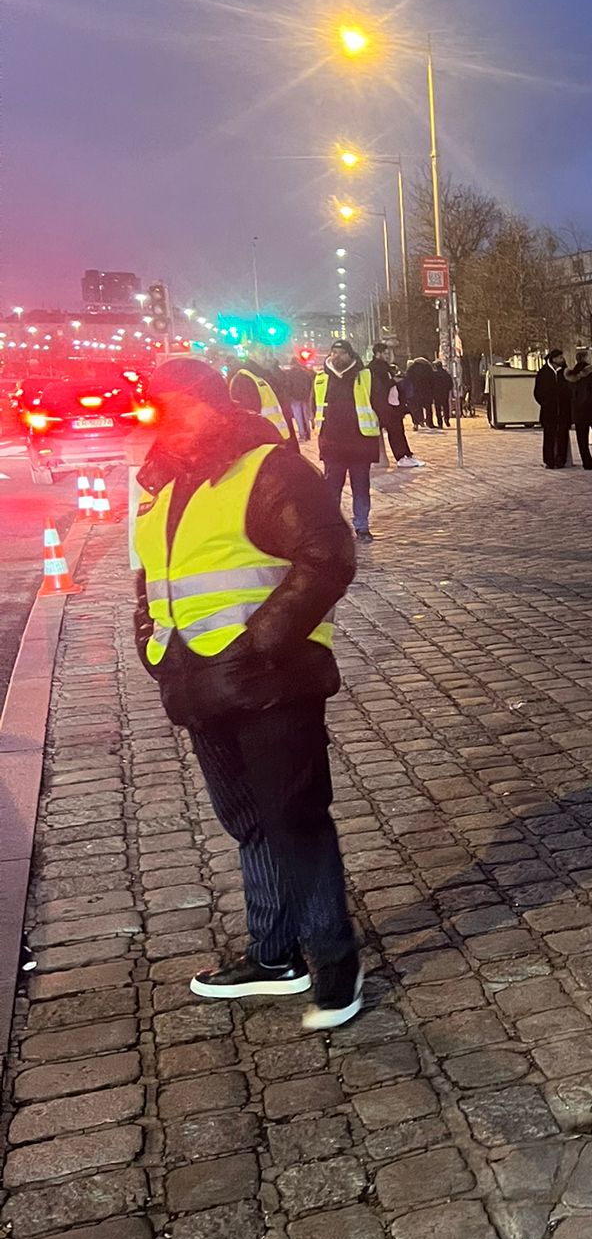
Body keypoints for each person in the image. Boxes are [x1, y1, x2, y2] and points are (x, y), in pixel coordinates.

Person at [132, 358, 363, 1028]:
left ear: (214, 404)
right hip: (197, 684)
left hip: (271, 684)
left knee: (295, 821)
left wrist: (259, 644)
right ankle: (274, 956)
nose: (167, 421)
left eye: (179, 407)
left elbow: (327, 556)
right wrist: (149, 641)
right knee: (249, 822)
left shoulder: (269, 469)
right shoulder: (159, 482)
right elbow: (151, 573)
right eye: (157, 409)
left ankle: (336, 969)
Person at [315, 337, 381, 539]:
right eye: (333, 352)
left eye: (341, 353)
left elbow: (379, 404)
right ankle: (332, 527)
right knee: (331, 488)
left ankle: (362, 525)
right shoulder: (320, 378)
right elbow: (314, 407)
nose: (336, 356)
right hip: (332, 444)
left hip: (360, 443)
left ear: (350, 355)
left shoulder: (366, 376)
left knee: (361, 486)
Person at [368, 346, 422, 471]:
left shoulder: (385, 368)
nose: (388, 355)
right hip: (385, 406)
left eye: (389, 353)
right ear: (378, 353)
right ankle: (401, 457)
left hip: (392, 405)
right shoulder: (376, 369)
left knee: (398, 431)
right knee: (395, 432)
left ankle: (406, 455)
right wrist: (394, 381)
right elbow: (379, 388)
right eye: (385, 353)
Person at [230, 357, 295, 444]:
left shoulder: (270, 376)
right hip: (266, 443)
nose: (267, 356)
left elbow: (283, 410)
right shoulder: (244, 380)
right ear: (251, 353)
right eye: (262, 350)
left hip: (280, 440)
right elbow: (249, 420)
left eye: (270, 352)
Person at [534, 348, 572, 469]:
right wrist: (545, 403)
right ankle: (549, 460)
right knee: (549, 436)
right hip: (549, 411)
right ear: (554, 359)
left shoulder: (564, 373)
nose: (562, 359)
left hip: (563, 410)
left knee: (562, 436)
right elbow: (537, 392)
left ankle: (561, 459)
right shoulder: (543, 373)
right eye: (560, 357)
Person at [567, 353, 592, 469]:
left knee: (582, 440)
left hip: (578, 412)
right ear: (586, 359)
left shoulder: (571, 376)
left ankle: (587, 462)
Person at [403, 354, 436, 431]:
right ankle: (429, 422)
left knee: (417, 408)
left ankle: (418, 422)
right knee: (428, 408)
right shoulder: (428, 368)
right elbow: (432, 380)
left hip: (415, 391)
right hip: (427, 391)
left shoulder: (412, 368)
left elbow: (408, 379)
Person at [431, 360, 454, 430]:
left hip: (436, 393)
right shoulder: (446, 374)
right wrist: (447, 389)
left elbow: (431, 384)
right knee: (445, 406)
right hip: (445, 393)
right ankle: (446, 419)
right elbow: (450, 384)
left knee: (437, 408)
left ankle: (440, 423)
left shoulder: (434, 375)